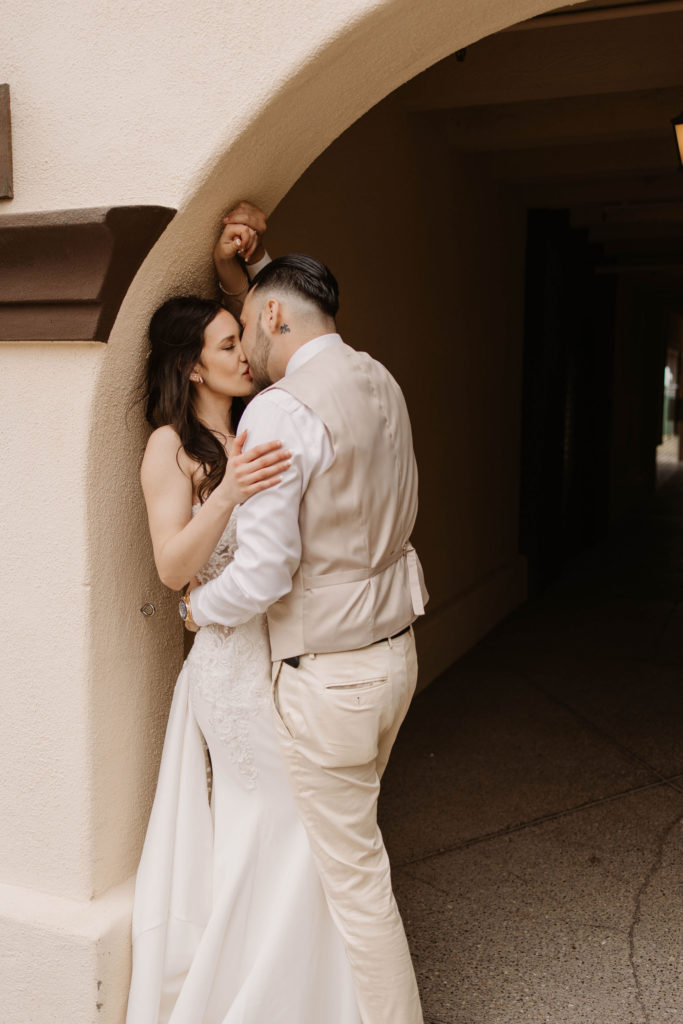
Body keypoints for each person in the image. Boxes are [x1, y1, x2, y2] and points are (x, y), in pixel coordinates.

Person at [183, 230, 429, 1024]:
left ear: (276, 318)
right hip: (395, 657)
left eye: (248, 325)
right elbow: (284, 307)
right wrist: (247, 273)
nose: (246, 349)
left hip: (333, 678)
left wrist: (196, 607)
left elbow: (260, 574)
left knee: (358, 888)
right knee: (345, 860)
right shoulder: (378, 378)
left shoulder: (283, 413)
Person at [126, 205, 362, 1023]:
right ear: (193, 369)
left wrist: (240, 269)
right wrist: (225, 492)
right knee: (284, 816)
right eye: (227, 348)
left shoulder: (267, 416)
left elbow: (282, 340)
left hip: (280, 650)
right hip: (226, 662)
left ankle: (283, 985)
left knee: (278, 824)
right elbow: (170, 568)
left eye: (242, 340)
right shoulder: (172, 446)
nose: (245, 356)